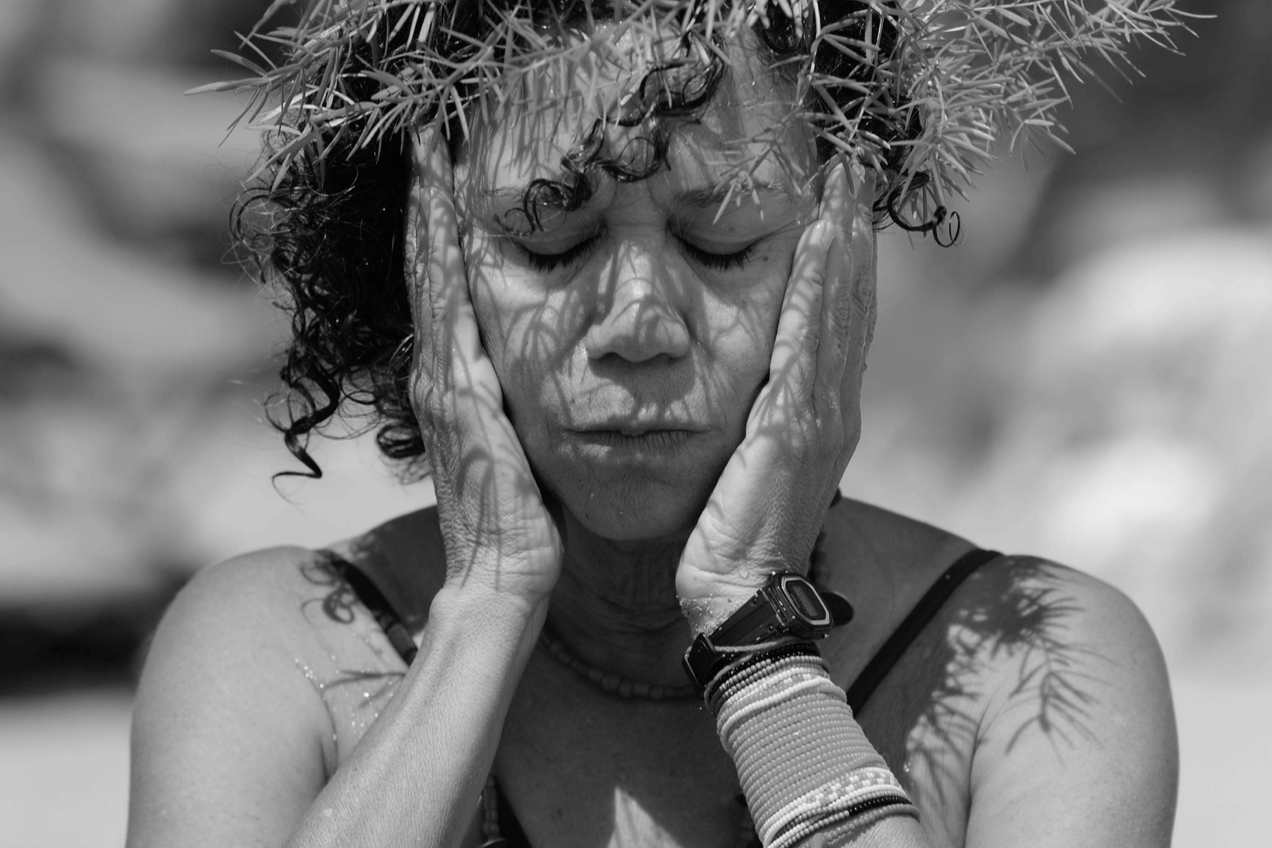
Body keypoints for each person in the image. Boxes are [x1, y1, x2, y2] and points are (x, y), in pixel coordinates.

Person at [127, 2, 1181, 847]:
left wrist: (757, 636)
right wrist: (487, 600)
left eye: (723, 244)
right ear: (424, 267)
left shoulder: (1042, 667)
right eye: (547, 240)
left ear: (842, 258)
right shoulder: (272, 649)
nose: (637, 322)